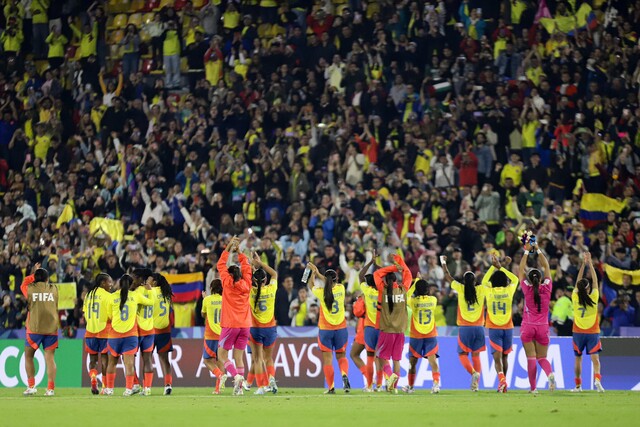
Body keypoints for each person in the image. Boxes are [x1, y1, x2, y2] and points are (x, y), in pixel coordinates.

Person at [103, 274, 153, 396]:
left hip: (114, 335)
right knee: (129, 364)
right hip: (130, 335)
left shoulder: (112, 297)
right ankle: (128, 389)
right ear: (131, 285)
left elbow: (109, 315)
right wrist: (150, 291)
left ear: (119, 284)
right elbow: (151, 302)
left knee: (112, 363)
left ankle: (109, 389)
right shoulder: (135, 296)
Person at [442, 256, 486, 392]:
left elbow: (447, 276)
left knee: (462, 355)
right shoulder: (481, 289)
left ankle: (473, 373)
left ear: (464, 281)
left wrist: (443, 262)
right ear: (475, 281)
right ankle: (476, 385)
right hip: (479, 328)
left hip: (465, 328)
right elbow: (487, 277)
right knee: (476, 355)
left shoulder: (460, 289)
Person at [518, 237, 556, 394]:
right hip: (543, 328)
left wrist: (526, 250)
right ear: (540, 279)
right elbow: (546, 265)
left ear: (529, 279)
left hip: (528, 327)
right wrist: (538, 249)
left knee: (531, 358)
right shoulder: (547, 288)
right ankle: (550, 374)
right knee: (542, 358)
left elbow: (520, 270)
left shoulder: (526, 288)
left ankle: (533, 389)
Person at [216, 236, 252, 396]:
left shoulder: (227, 283)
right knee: (239, 356)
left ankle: (236, 377)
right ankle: (239, 390)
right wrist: (240, 253)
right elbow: (247, 267)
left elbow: (220, 265)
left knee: (222, 355)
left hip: (231, 324)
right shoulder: (247, 284)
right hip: (245, 325)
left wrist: (229, 247)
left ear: (229, 275)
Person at [308, 262, 350, 394]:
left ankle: (331, 387)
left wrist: (314, 273)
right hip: (341, 329)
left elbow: (311, 285)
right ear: (337, 279)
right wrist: (320, 274)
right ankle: (344, 375)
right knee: (341, 356)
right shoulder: (341, 289)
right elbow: (330, 281)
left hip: (326, 330)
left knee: (327, 360)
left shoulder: (321, 293)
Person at [373, 254, 412, 393]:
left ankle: (389, 378)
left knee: (381, 357)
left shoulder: (382, 290)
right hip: (400, 332)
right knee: (396, 360)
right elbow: (409, 274)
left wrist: (393, 268)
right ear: (396, 280)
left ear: (385, 280)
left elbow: (377, 273)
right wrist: (400, 263)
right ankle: (393, 388)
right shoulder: (403, 290)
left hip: (387, 331)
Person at [21, 264, 59, 397]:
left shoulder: (30, 289)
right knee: (50, 358)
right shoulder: (54, 289)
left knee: (29, 356)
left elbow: (23, 285)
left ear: (35, 279)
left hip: (34, 329)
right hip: (51, 329)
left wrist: (33, 274)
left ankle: (31, 386)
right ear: (47, 279)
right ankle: (50, 389)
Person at [482, 255, 517, 393]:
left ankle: (502, 380)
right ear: (505, 282)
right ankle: (504, 382)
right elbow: (515, 279)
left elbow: (484, 281)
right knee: (505, 357)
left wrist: (493, 266)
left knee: (497, 358)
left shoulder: (489, 291)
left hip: (494, 328)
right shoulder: (509, 291)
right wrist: (501, 267)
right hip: (508, 327)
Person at [572, 252, 605, 393]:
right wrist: (590, 263)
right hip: (592, 331)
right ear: (588, 288)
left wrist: (582, 265)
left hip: (578, 331)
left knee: (578, 359)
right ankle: (597, 380)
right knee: (595, 359)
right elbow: (596, 281)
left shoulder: (574, 296)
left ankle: (578, 386)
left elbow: (578, 280)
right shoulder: (594, 297)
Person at [247, 252, 278, 395]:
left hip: (255, 329)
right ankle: (271, 379)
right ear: (265, 280)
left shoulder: (251, 291)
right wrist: (260, 264)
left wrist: (251, 267)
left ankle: (260, 387)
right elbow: (274, 274)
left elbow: (246, 279)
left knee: (257, 359)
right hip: (270, 328)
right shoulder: (271, 289)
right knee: (268, 358)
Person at [404, 278, 441, 394]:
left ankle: (410, 387)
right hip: (430, 334)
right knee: (433, 361)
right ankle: (435, 385)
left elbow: (405, 296)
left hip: (416, 335)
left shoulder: (413, 302)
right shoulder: (433, 300)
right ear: (428, 289)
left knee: (412, 362)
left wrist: (415, 283)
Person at [82, 273, 113, 395]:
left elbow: (85, 313)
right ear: (102, 283)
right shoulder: (107, 296)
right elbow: (111, 315)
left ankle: (93, 378)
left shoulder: (88, 295)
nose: (110, 285)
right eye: (108, 282)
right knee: (105, 360)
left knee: (93, 360)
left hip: (90, 331)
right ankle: (105, 387)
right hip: (104, 331)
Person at [358, 252, 381, 391]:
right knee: (380, 357)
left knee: (370, 357)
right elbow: (391, 278)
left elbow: (360, 275)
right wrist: (380, 267)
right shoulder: (382, 291)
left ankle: (369, 385)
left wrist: (370, 262)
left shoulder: (367, 290)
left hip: (369, 327)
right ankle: (379, 385)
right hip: (382, 327)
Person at [132, 268, 155, 396]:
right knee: (148, 359)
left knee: (129, 359)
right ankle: (147, 388)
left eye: (134, 277)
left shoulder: (137, 292)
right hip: (150, 329)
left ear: (141, 279)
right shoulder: (153, 291)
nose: (133, 280)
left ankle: (135, 384)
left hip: (137, 330)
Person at [201, 278, 225, 394]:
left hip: (210, 334)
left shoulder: (207, 300)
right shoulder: (225, 300)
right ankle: (218, 388)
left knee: (207, 360)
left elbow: (203, 315)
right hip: (224, 334)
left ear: (211, 288)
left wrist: (205, 299)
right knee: (221, 360)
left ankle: (220, 375)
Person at [152, 273, 174, 395]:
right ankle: (168, 385)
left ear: (154, 282)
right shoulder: (167, 293)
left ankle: (146, 387)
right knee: (165, 360)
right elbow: (171, 310)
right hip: (165, 330)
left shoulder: (151, 292)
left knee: (147, 359)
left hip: (151, 330)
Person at [349, 292, 368, 389]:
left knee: (354, 354)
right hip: (378, 327)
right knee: (378, 357)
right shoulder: (380, 292)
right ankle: (384, 380)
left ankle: (369, 378)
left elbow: (358, 312)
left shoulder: (364, 295)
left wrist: (357, 302)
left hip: (365, 329)